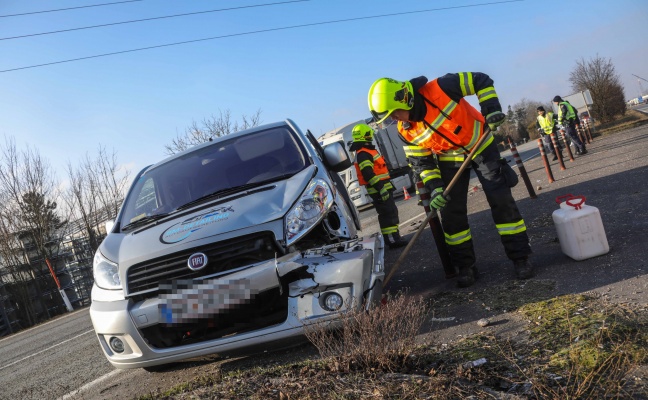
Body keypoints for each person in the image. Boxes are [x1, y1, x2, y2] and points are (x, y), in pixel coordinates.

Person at [368, 73, 533, 287]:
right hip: (451, 158)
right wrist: (436, 189)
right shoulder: (405, 131)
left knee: (501, 201)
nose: (395, 120)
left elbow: (481, 81)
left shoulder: (442, 87)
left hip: (481, 146)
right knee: (451, 214)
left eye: (393, 114)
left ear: (404, 99)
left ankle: (520, 258)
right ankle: (465, 267)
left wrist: (491, 108)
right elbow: (422, 165)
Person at [350, 123, 408, 249]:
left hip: (382, 188)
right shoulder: (363, 154)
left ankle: (394, 238)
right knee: (387, 215)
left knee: (391, 213)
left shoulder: (366, 152)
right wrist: (381, 188)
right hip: (379, 190)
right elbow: (368, 174)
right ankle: (392, 240)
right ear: (367, 135)